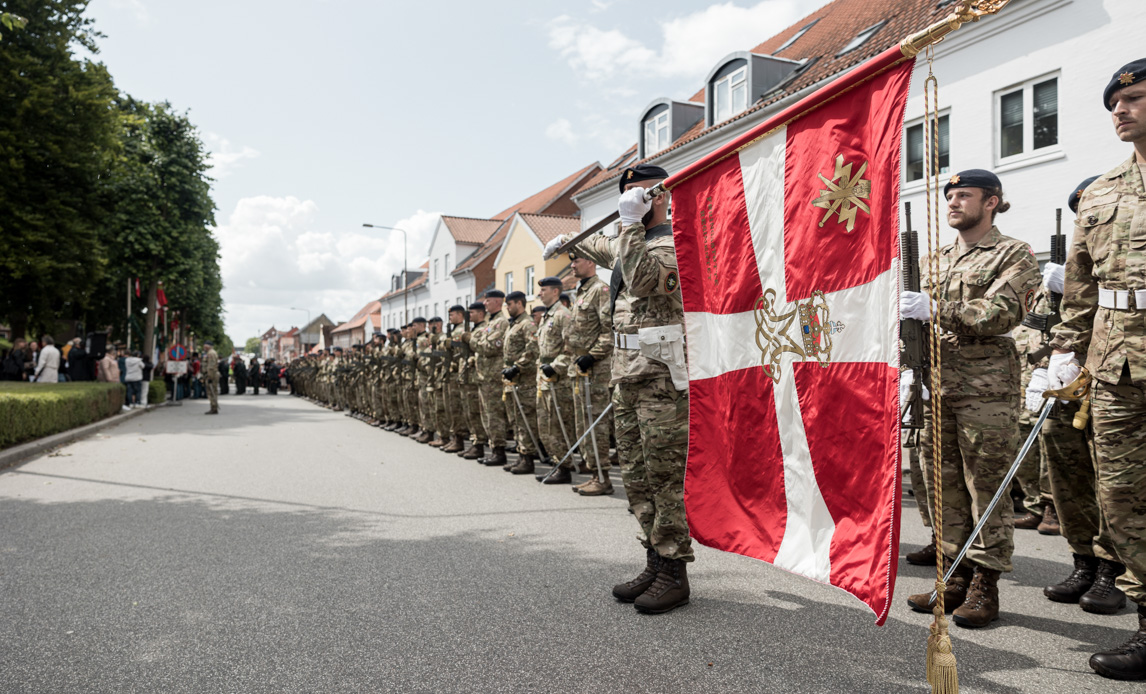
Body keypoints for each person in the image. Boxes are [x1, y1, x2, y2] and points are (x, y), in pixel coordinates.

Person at [544, 163, 692, 614]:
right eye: (626, 194)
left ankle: (674, 570)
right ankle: (652, 556)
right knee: (636, 475)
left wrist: (630, 222)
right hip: (626, 377)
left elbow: (646, 279)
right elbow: (604, 245)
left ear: (661, 196)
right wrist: (569, 240)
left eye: (641, 193)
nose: (631, 200)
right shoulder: (632, 239)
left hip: (661, 381)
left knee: (665, 478)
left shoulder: (674, 244)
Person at [900, 169, 1041, 628]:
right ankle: (954, 575)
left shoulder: (1014, 253)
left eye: (965, 195)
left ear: (993, 202)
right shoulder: (936, 258)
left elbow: (1001, 314)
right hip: (937, 384)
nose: (954, 203)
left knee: (987, 487)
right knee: (942, 486)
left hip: (986, 391)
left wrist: (935, 308)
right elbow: (915, 322)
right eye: (951, 196)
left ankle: (986, 582)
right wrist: (908, 363)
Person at [1048, 58, 1146, 680]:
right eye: (1115, 101)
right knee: (1123, 500)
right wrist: (1062, 353)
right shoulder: (1101, 192)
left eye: (1135, 97)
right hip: (1117, 368)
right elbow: (1080, 290)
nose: (1120, 108)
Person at [559, 249, 615, 495]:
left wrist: (593, 355)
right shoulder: (582, 291)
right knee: (583, 424)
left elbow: (609, 329)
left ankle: (603, 477)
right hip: (579, 368)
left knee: (596, 424)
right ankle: (594, 472)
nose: (572, 266)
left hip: (595, 368)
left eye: (576, 261)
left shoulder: (600, 290)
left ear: (591, 262)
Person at [534, 276, 579, 484]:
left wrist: (554, 367)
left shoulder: (563, 315)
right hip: (544, 376)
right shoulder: (547, 316)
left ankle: (564, 466)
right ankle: (556, 463)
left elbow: (571, 349)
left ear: (555, 292)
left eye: (544, 290)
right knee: (545, 424)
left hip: (557, 378)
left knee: (558, 425)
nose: (540, 293)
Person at [500, 290, 541, 473]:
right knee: (515, 419)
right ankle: (521, 454)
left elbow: (532, 349)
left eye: (509, 304)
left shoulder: (527, 324)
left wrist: (517, 367)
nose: (507, 308)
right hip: (511, 379)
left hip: (524, 379)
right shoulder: (513, 325)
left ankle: (528, 457)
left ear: (519, 303)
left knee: (525, 419)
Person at [471, 291, 511, 466]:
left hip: (493, 377)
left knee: (494, 415)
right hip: (485, 376)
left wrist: (471, 341)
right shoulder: (491, 322)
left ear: (496, 302)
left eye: (487, 301)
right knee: (487, 414)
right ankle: (493, 448)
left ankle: (499, 451)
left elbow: (489, 348)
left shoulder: (501, 322)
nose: (485, 304)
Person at [202, 341, 220, 414]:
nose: (204, 348)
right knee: (213, 392)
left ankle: (214, 407)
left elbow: (211, 366)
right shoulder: (211, 352)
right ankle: (213, 407)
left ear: (208, 346)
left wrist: (209, 376)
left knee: (211, 392)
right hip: (212, 374)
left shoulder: (211, 353)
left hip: (212, 374)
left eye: (205, 346)